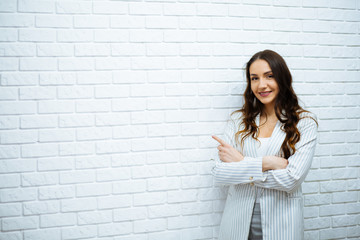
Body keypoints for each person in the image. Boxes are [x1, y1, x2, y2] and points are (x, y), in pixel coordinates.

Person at [211, 50, 318, 240]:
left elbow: (292, 179)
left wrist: (242, 162)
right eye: (254, 78)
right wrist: (268, 162)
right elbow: (219, 173)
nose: (261, 85)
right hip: (237, 220)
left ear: (282, 78)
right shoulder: (238, 121)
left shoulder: (305, 122)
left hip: (282, 222)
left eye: (269, 76)